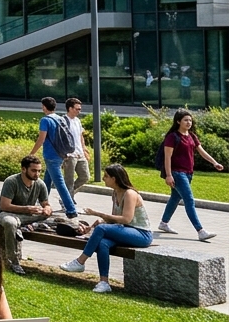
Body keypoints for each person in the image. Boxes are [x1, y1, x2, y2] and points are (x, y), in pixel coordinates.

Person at [61, 164, 155, 292]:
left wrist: (97, 213)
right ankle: (104, 282)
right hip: (125, 230)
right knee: (103, 243)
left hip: (142, 234)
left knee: (102, 229)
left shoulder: (130, 194)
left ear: (114, 178)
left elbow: (126, 219)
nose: (104, 179)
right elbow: (114, 219)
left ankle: (80, 262)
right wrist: (92, 226)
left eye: (106, 176)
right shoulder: (115, 193)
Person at [157, 108, 223, 241]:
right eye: (185, 120)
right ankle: (200, 231)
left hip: (188, 173)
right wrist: (169, 175)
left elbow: (201, 151)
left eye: (190, 120)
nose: (189, 122)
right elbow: (167, 158)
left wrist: (214, 163)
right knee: (189, 200)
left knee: (175, 198)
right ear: (178, 121)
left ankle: (163, 223)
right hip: (177, 173)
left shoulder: (192, 136)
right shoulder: (172, 137)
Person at [0, 155, 52, 275]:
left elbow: (46, 204)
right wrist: (27, 209)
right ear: (23, 169)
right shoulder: (11, 181)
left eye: (39, 171)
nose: (37, 174)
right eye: (33, 170)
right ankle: (14, 261)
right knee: (10, 223)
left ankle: (25, 225)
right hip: (8, 214)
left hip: (27, 216)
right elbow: (4, 206)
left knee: (48, 216)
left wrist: (47, 209)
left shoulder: (40, 184)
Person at [30, 96, 78, 218]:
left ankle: (71, 209)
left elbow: (41, 139)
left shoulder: (45, 120)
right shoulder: (60, 119)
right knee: (47, 181)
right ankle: (40, 203)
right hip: (60, 154)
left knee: (59, 183)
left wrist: (32, 153)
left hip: (51, 155)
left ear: (44, 107)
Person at [62, 98, 90, 201]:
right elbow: (60, 138)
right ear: (70, 108)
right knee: (69, 180)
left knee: (85, 176)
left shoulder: (77, 120)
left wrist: (84, 149)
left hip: (79, 154)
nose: (79, 111)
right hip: (69, 155)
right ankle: (68, 201)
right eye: (77, 109)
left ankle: (67, 195)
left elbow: (80, 136)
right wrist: (63, 153)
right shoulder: (63, 121)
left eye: (80, 109)